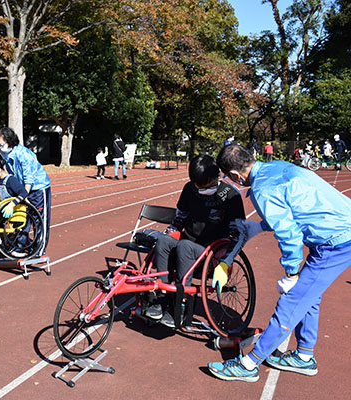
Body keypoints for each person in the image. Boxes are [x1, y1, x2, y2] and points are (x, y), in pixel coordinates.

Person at [208, 144, 351, 382]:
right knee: (309, 296)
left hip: (335, 242)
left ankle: (249, 364)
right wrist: (260, 226)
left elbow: (289, 233)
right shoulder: (277, 167)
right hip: (338, 231)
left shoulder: (263, 189)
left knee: (292, 300)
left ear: (234, 175)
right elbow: (294, 210)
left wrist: (292, 273)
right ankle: (304, 356)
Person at [143, 154, 248, 327]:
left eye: (203, 185)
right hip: (187, 243)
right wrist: (170, 233)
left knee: (185, 246)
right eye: (196, 184)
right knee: (163, 241)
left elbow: (238, 235)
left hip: (211, 254)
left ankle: (181, 304)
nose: (199, 188)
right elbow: (179, 219)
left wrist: (224, 262)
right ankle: (161, 298)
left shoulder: (231, 196)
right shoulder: (189, 189)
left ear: (216, 177)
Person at [0, 127, 51, 256]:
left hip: (38, 188)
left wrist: (23, 195)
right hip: (24, 188)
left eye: (1, 144)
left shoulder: (24, 154)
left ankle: (39, 248)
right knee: (23, 217)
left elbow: (29, 178)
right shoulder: (8, 154)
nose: (0, 147)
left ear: (9, 140)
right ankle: (20, 245)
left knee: (39, 219)